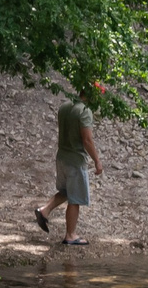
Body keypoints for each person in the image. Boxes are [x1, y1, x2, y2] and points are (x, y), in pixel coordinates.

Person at [33, 81, 103, 245]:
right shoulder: (84, 111)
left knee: (66, 191)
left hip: (61, 156)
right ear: (92, 95)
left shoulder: (65, 106)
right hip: (75, 160)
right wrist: (97, 161)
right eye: (99, 95)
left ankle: (44, 211)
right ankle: (70, 235)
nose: (99, 99)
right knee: (76, 199)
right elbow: (87, 140)